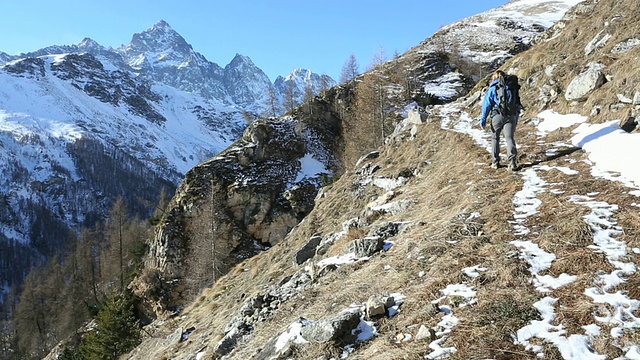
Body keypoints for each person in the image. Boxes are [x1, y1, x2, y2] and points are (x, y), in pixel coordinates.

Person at [480, 70, 521, 171]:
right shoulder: (512, 87)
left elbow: (487, 105)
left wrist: (483, 119)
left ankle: (495, 162)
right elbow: (517, 103)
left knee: (495, 138)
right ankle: (512, 163)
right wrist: (516, 117)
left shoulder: (493, 88)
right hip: (511, 115)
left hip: (497, 116)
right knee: (509, 138)